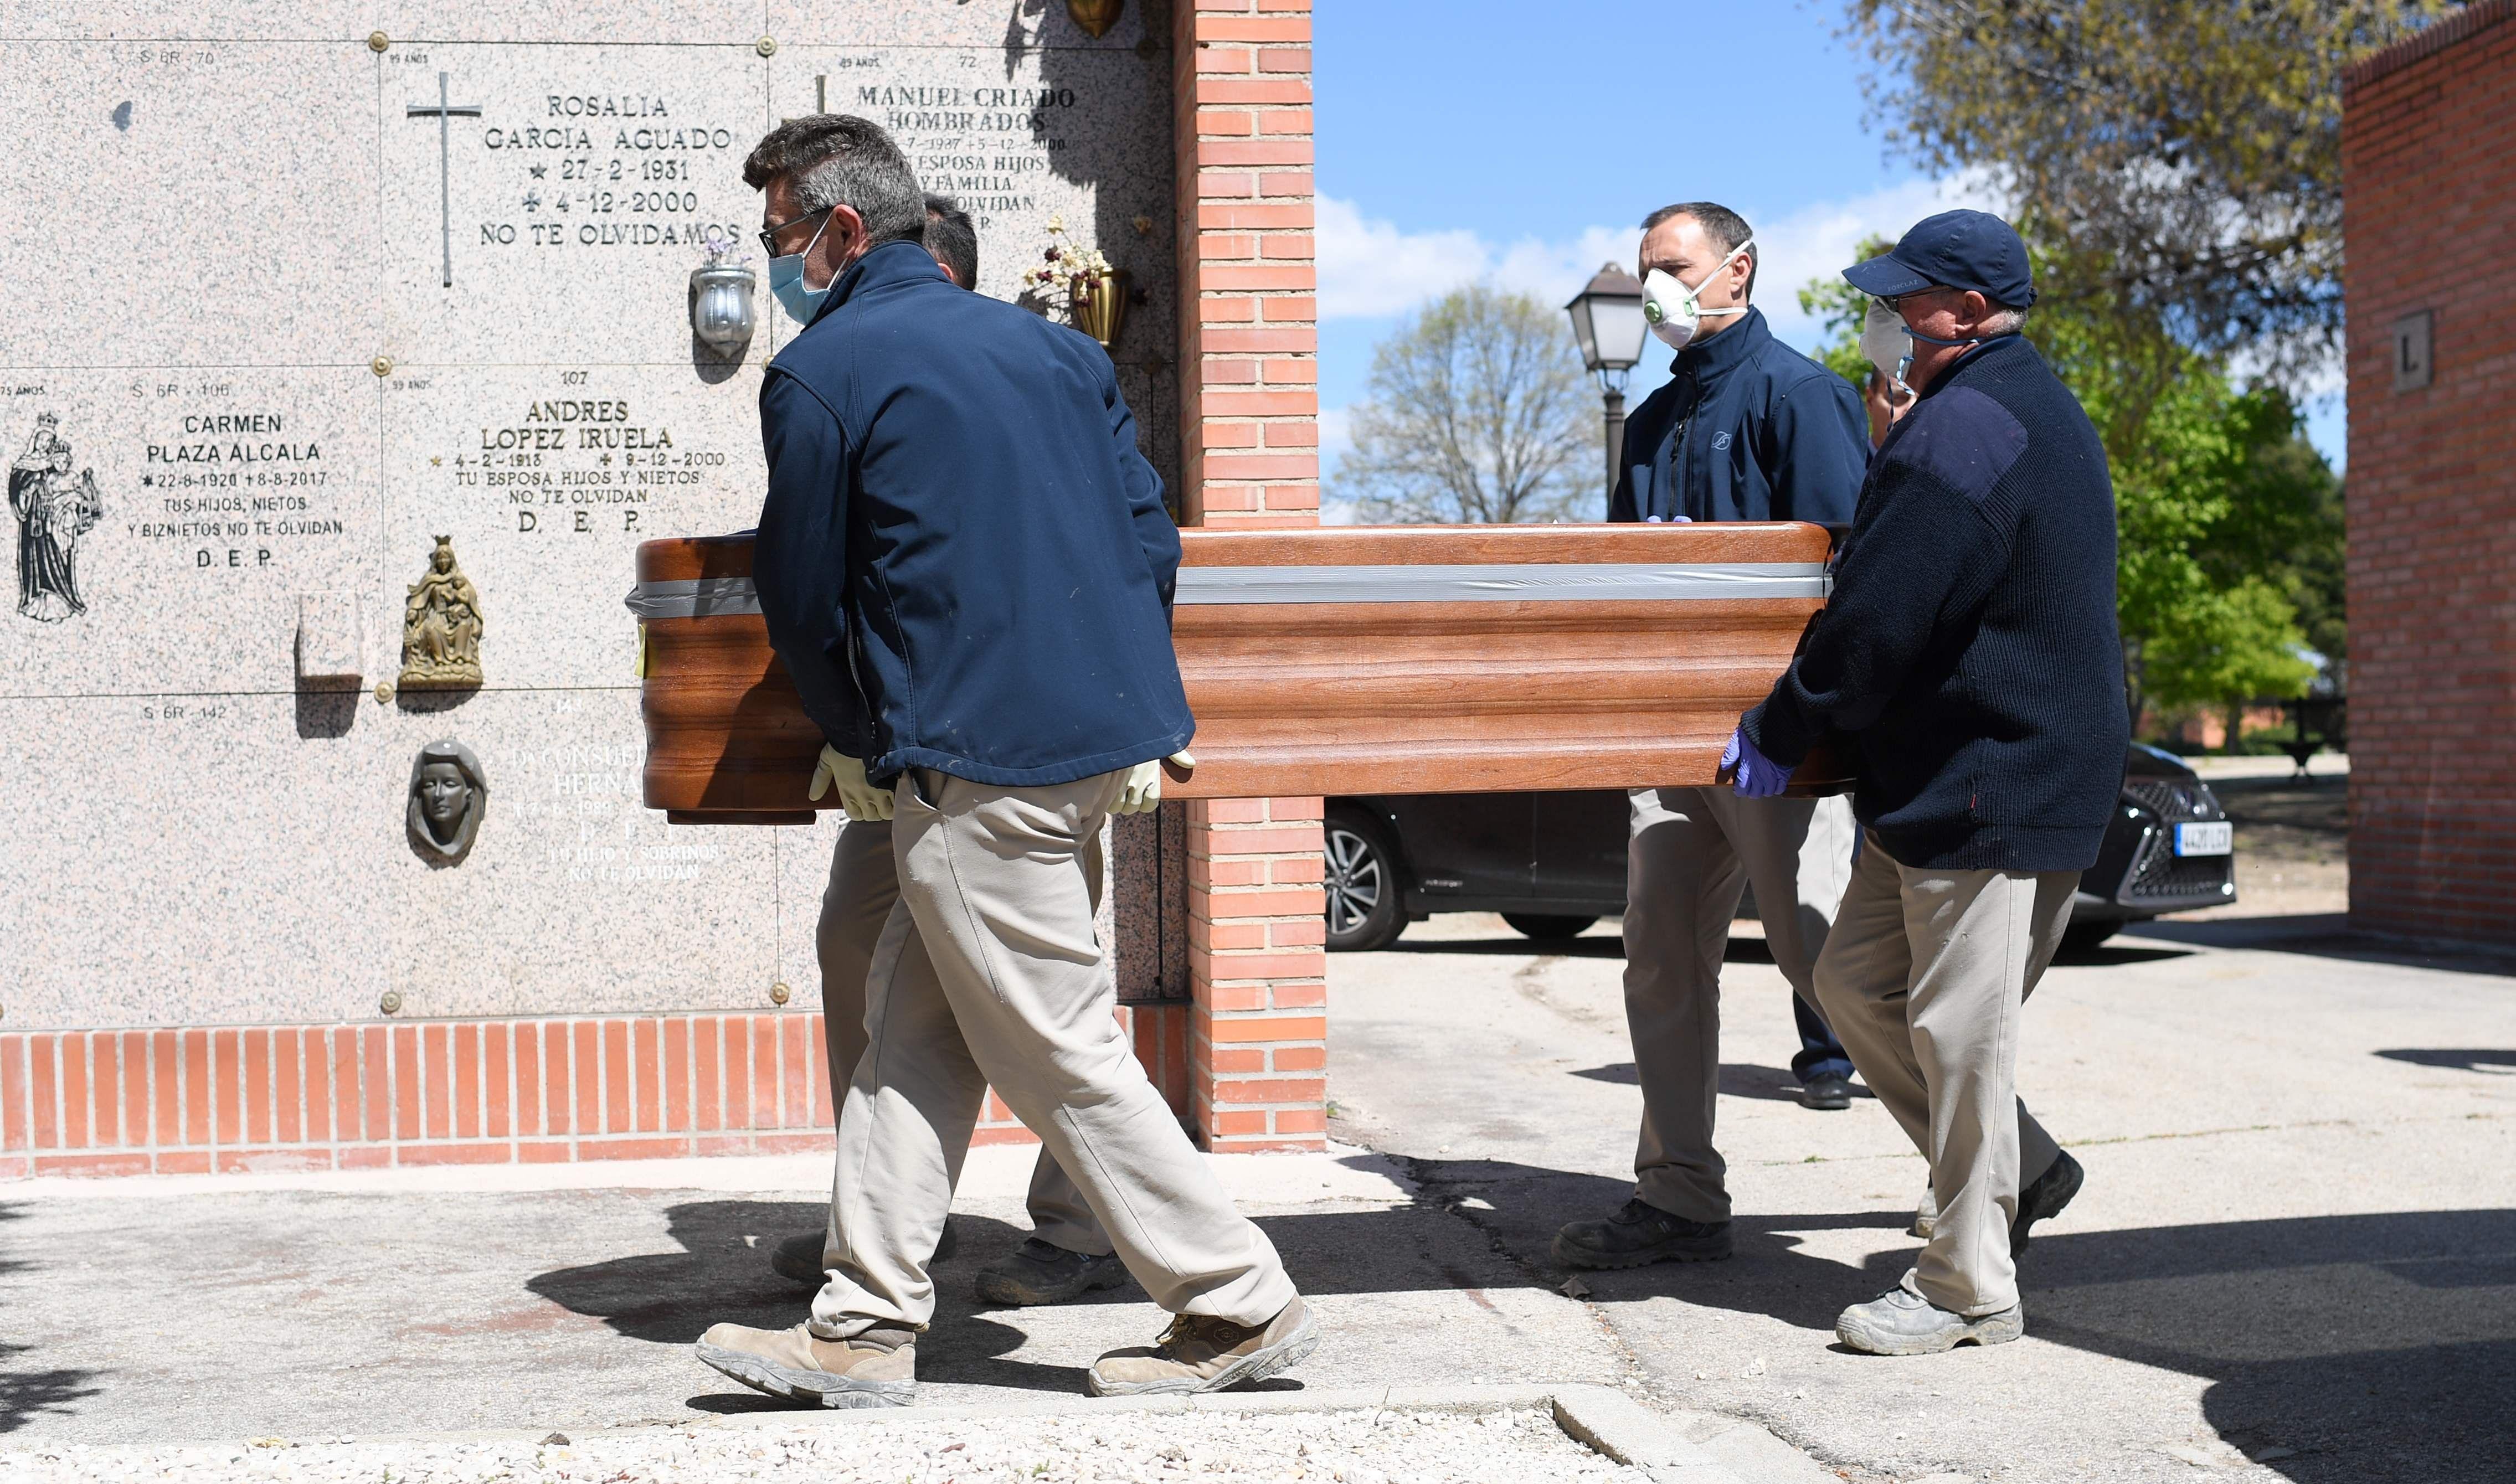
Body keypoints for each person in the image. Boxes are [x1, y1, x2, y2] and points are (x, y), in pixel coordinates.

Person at [694, 114, 1316, 1408]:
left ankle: (1234, 1297)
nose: (774, 267)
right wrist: (1104, 695)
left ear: (842, 232)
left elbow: (801, 593)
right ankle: (861, 1324)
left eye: (778, 238)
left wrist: (868, 736)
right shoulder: (1055, 352)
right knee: (915, 1032)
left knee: (1054, 1049)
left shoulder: (824, 373)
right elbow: (1150, 545)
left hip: (970, 758)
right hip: (1083, 746)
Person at [1725, 209, 2118, 1354]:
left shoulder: (1965, 433)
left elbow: (1874, 621)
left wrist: (1779, 724)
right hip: (1945, 780)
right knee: (1852, 985)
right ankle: (2024, 1170)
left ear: (1961, 311)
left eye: (1901, 302)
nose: (1884, 320)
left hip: (1995, 779)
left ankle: (1965, 1283)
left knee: (1961, 1037)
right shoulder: (1975, 415)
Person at [765, 189, 1131, 1313]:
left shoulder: (1028, 367)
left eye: (788, 244)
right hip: (908, 750)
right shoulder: (859, 370)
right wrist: (854, 733)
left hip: (1008, 737)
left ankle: (1104, 1237)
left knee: (1051, 1008)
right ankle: (871, 1251)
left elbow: (1126, 538)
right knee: (872, 961)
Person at [1553, 202, 1872, 1274]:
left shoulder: (1805, 396)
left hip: (1781, 744)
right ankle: (1680, 1197)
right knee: (1659, 959)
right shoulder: (1647, 421)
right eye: (1646, 272)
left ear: (1738, 267)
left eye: (1672, 267)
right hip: (1670, 745)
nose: (1654, 290)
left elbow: (1849, 578)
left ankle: (1994, 1168)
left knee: (1831, 965)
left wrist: (1809, 724)